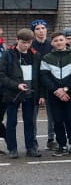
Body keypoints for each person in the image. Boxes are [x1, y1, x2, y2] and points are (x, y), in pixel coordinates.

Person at [39, 31, 71, 156]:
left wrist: (65, 89)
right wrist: (57, 90)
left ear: (66, 41)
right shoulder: (46, 58)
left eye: (61, 40)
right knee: (57, 120)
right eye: (55, 41)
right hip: (54, 94)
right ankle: (62, 146)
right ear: (52, 43)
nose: (58, 42)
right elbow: (44, 76)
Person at [2, 28, 42, 158]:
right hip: (12, 94)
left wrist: (41, 95)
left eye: (28, 42)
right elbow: (2, 75)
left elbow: (40, 76)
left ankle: (30, 148)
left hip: (30, 93)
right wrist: (16, 85)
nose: (26, 45)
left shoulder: (36, 55)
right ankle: (12, 149)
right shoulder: (8, 55)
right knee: (11, 122)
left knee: (29, 122)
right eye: (23, 42)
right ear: (17, 40)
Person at [30, 20, 54, 149]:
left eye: (43, 28)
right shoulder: (30, 46)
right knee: (32, 116)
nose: (41, 31)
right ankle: (33, 140)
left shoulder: (52, 45)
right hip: (34, 85)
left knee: (53, 114)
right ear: (33, 32)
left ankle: (51, 139)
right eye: (37, 29)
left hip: (50, 83)